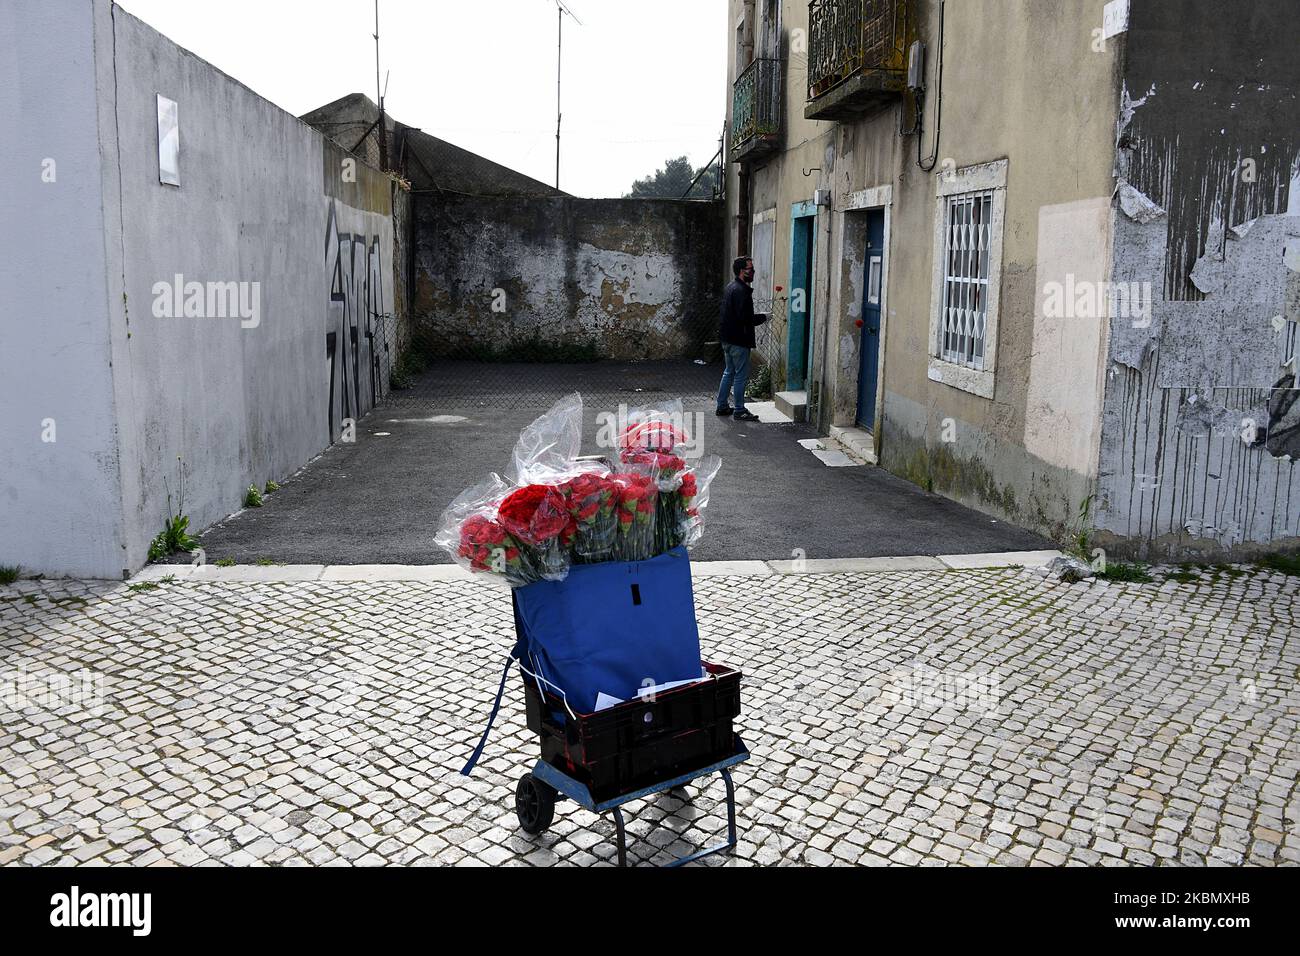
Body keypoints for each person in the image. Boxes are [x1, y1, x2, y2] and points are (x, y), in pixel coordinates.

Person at [717, 255, 768, 421]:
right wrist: (763, 317)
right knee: (740, 375)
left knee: (729, 372)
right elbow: (745, 318)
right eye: (750, 269)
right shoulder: (742, 292)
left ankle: (722, 406)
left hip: (727, 338)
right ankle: (739, 409)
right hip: (739, 340)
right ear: (741, 272)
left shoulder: (731, 287)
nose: (753, 272)